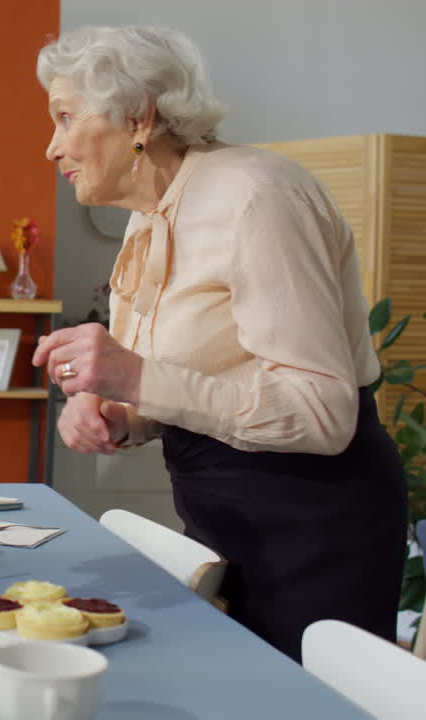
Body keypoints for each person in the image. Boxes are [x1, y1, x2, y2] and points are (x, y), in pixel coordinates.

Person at [30, 26, 406, 662]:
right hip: (222, 516)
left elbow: (323, 413)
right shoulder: (151, 213)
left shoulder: (259, 198)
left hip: (314, 524)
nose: (51, 146)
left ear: (139, 117)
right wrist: (120, 413)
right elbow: (204, 381)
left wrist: (135, 379)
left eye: (66, 117)